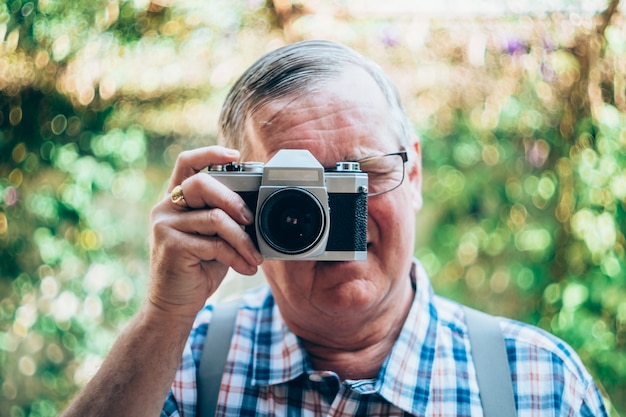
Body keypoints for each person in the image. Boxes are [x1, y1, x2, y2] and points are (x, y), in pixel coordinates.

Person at [61, 40, 608, 417]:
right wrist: (165, 316)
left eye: (363, 172)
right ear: (235, 201)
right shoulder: (177, 366)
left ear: (412, 174)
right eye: (298, 191)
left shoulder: (537, 384)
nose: (332, 214)